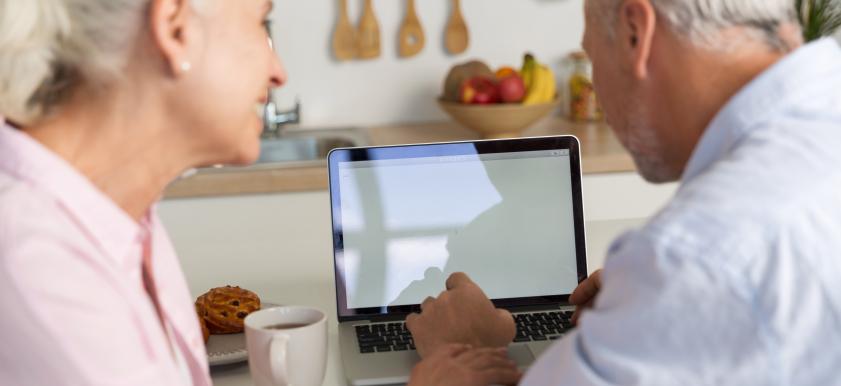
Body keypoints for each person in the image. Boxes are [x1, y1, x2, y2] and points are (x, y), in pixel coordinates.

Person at [0, 1, 519, 385]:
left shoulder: (119, 214)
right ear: (175, 28)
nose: (278, 71)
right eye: (260, 25)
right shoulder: (36, 272)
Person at [407, 0, 841, 384]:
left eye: (592, 53)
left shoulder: (693, 255)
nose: (595, 87)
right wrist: (640, 313)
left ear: (636, 32)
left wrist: (465, 352)